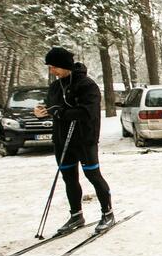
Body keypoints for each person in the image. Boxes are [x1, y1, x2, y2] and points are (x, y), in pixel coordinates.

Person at [34, 47, 114, 234]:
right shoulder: (55, 87)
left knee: (93, 176)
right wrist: (41, 113)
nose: (51, 71)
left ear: (64, 65)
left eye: (54, 67)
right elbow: (51, 109)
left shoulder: (87, 85)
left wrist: (60, 112)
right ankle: (76, 215)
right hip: (62, 141)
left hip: (84, 140)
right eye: (50, 67)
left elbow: (88, 113)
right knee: (69, 178)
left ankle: (107, 213)